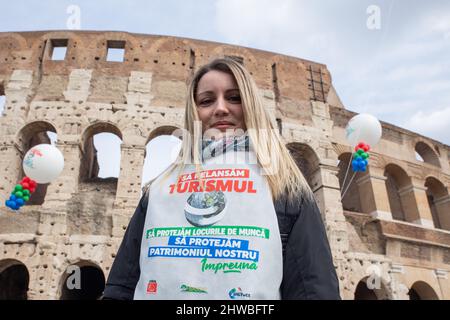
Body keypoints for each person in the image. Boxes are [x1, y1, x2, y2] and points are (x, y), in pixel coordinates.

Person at [103, 57, 340, 300]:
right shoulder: (159, 189)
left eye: (234, 97)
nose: (221, 108)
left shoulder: (287, 187)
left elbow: (314, 290)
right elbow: (121, 286)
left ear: (251, 105)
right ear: (194, 112)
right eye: (206, 101)